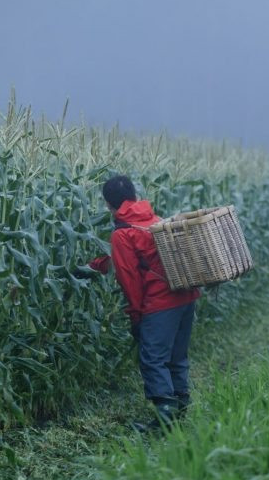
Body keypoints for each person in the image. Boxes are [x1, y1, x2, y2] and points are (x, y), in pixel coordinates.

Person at [79, 175, 201, 431]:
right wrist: (93, 266)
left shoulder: (123, 233)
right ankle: (180, 408)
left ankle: (165, 419)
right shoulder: (152, 220)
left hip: (160, 304)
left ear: (108, 204)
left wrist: (136, 315)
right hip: (185, 297)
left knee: (153, 359)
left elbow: (130, 279)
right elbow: (134, 256)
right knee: (176, 356)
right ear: (134, 196)